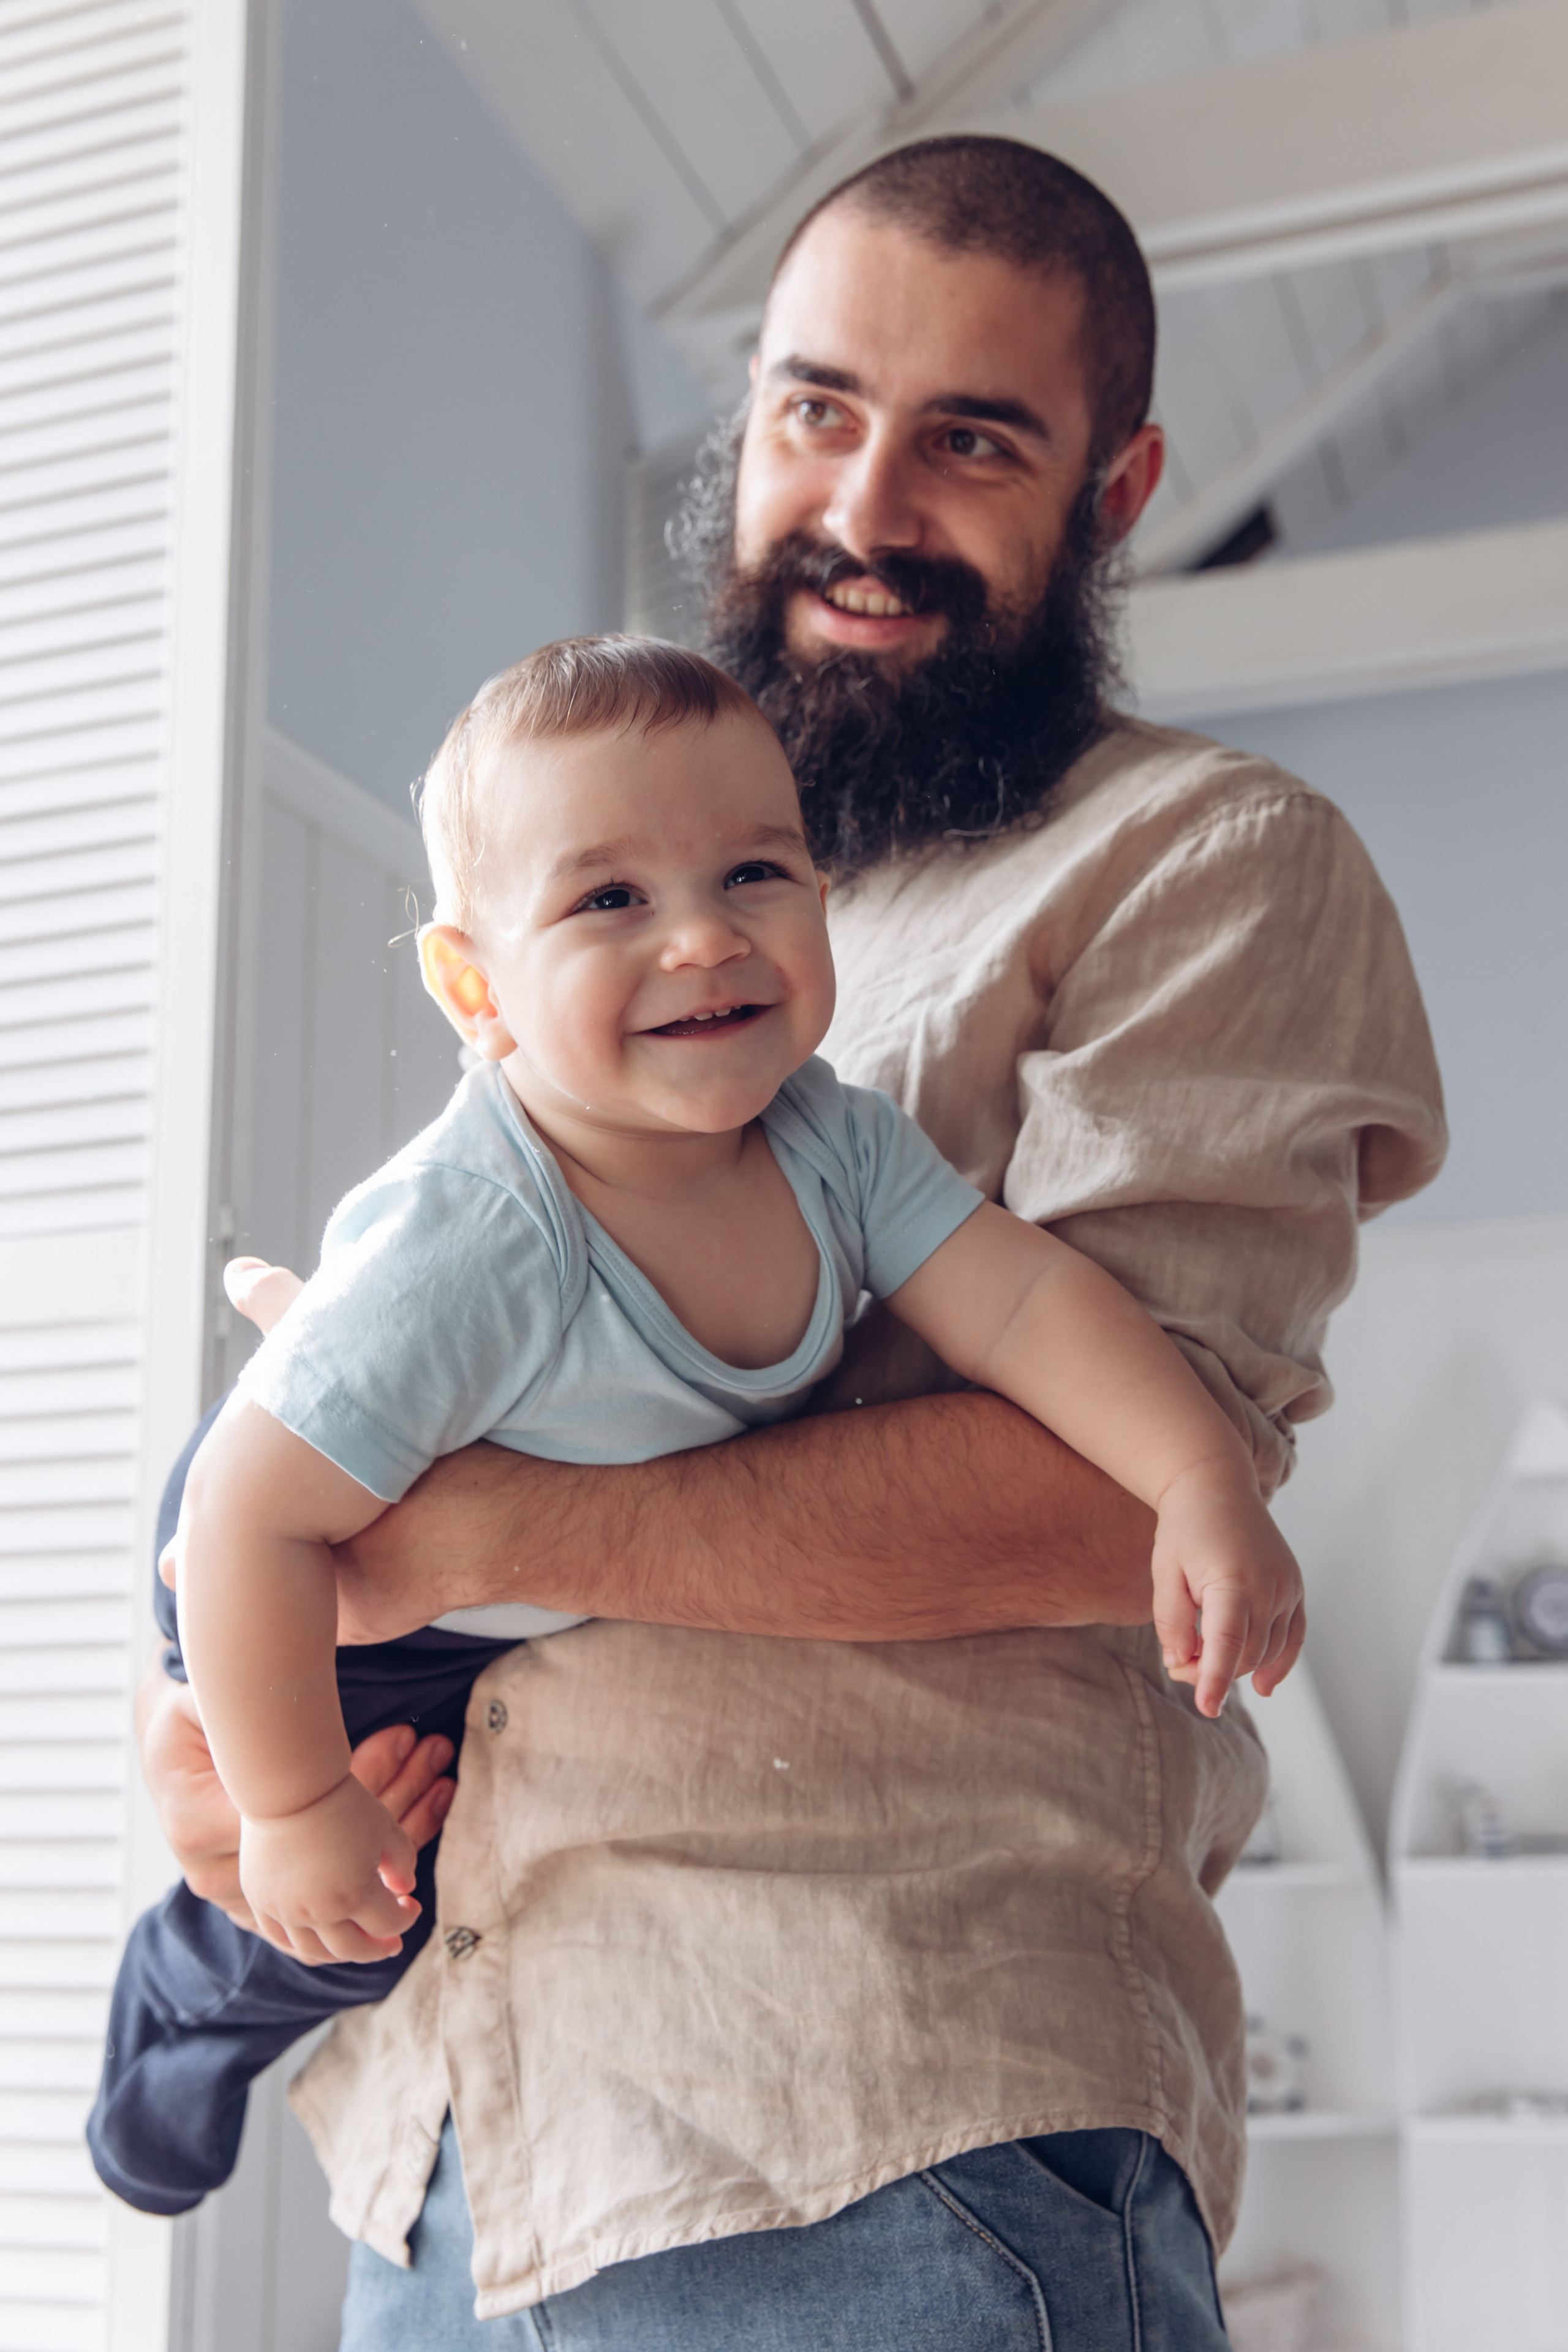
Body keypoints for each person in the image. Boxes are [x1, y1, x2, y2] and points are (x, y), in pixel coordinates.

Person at [137, 138, 1447, 2348]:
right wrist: (267, 1776)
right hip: (460, 2140)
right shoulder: (617, 883)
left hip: (886, 2129)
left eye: (973, 441)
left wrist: (461, 1540)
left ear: (1115, 489)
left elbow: (1096, 1480)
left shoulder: (1205, 860)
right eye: (818, 412)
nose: (862, 504)